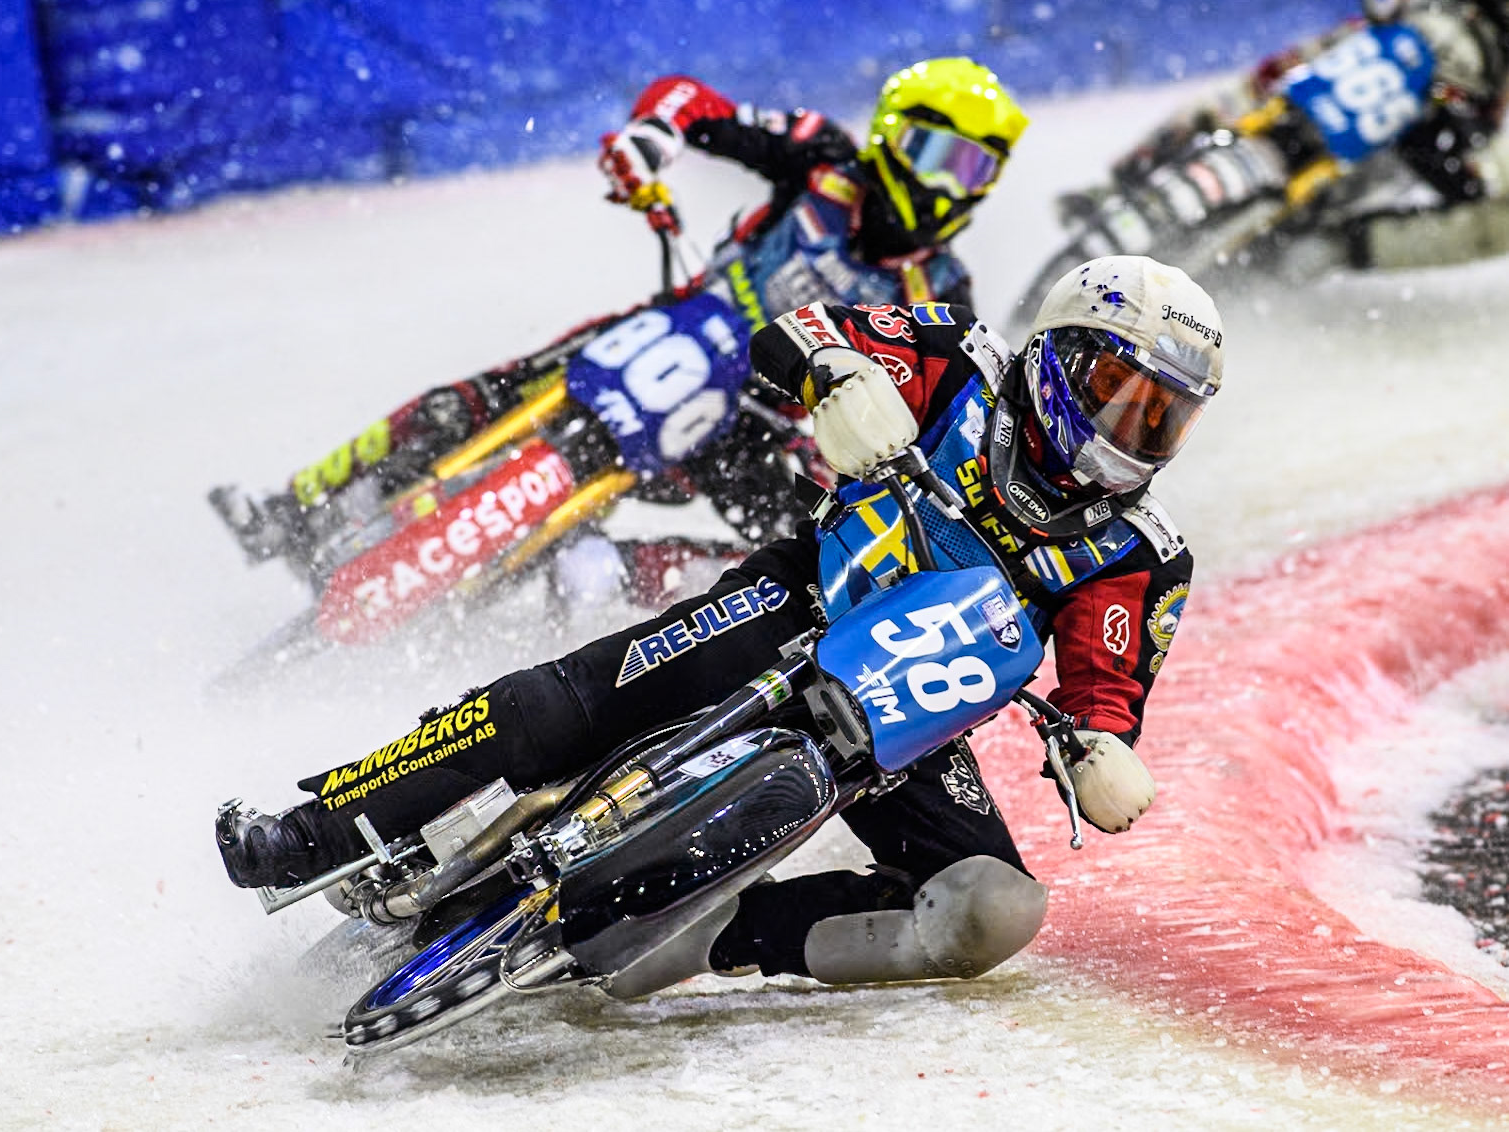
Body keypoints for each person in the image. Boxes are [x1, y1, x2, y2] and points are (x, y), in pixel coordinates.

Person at [217, 254, 1223, 987]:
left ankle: (712, 932)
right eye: (1114, 387)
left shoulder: (1147, 554)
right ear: (1057, 349)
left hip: (904, 724)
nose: (1127, 425)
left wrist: (1099, 747)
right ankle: (310, 831)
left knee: (992, 907)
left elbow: (1105, 690)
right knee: (554, 706)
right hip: (794, 600)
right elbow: (794, 335)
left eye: (1158, 414)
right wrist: (837, 379)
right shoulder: (960, 356)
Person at [212, 58, 1029, 579]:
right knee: (466, 402)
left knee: (815, 555)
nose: (945, 186)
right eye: (934, 154)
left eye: (972, 169)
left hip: (759, 424)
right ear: (890, 136)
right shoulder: (824, 158)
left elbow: (940, 414)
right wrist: (651, 139)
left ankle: (611, 578)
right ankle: (291, 513)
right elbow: (690, 100)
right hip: (675, 326)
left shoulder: (940, 290)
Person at [1100, 0, 1509, 272]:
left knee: (1327, 209)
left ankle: (1303, 250)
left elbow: (1484, 198)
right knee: (1252, 89)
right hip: (1394, 46)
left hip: (1424, 109)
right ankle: (1128, 176)